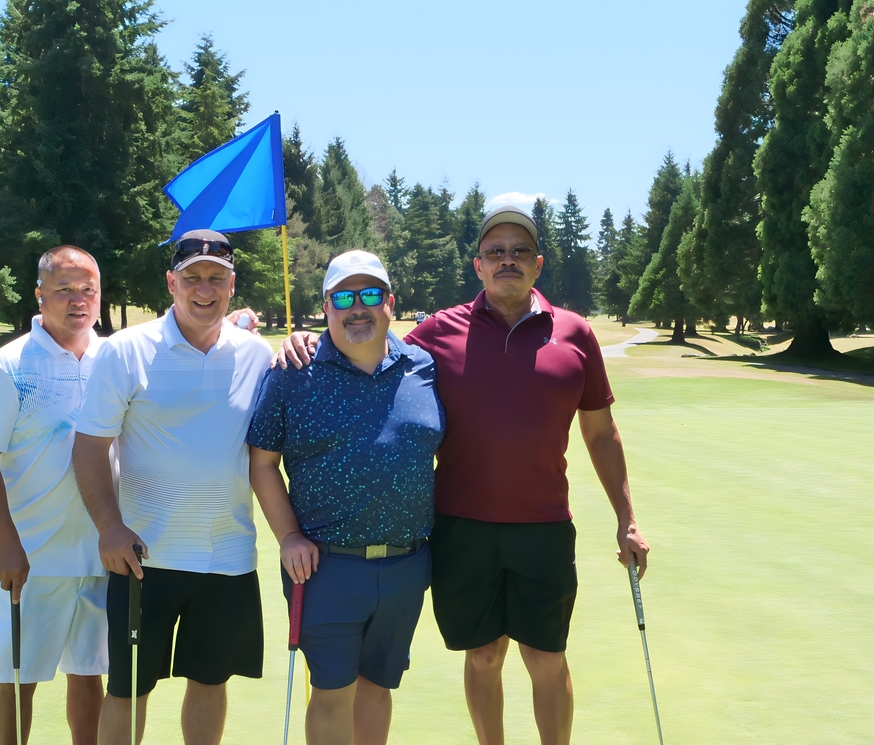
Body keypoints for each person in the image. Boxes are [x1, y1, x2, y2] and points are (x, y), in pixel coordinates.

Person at [279, 206, 651, 745]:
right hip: (461, 528)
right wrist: (310, 342)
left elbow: (600, 433)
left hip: (544, 525)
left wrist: (627, 520)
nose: (507, 261)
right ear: (478, 265)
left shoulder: (575, 334)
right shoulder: (436, 333)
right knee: (482, 656)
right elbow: (369, 340)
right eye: (495, 252)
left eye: (519, 252)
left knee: (547, 658)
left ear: (538, 263)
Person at [72, 229, 273, 745]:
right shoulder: (125, 351)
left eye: (217, 278)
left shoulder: (257, 355)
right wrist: (109, 527)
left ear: (232, 285)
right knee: (129, 689)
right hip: (144, 557)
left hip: (227, 554)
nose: (204, 289)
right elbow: (89, 448)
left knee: (210, 681)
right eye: (192, 278)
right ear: (171, 283)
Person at [248, 251, 444, 745]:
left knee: (377, 689)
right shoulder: (294, 371)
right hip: (324, 567)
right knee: (333, 692)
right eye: (344, 297)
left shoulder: (422, 366)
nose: (359, 307)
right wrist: (288, 535)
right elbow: (262, 463)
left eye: (371, 295)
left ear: (390, 303)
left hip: (407, 564)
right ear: (326, 306)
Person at [0, 245, 108, 745]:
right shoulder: (9, 367)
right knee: (20, 677)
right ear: (39, 294)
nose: (77, 300)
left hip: (99, 548)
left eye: (87, 288)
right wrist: (6, 544)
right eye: (63, 288)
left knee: (89, 672)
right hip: (29, 551)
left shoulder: (113, 359)